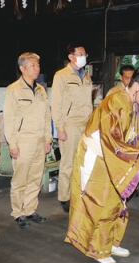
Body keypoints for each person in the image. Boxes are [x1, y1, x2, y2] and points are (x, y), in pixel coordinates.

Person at [64, 58, 139, 263]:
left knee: (119, 200)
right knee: (100, 202)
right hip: (100, 156)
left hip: (121, 157)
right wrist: (138, 154)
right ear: (136, 86)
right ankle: (97, 249)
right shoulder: (114, 102)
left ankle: (110, 242)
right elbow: (111, 138)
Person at [3, 52, 52, 229]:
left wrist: (48, 138)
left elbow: (47, 116)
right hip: (23, 142)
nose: (37, 68)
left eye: (38, 65)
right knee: (20, 180)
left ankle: (30, 209)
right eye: (33, 65)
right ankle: (18, 212)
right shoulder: (13, 90)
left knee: (35, 178)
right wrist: (13, 145)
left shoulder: (41, 90)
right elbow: (8, 120)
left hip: (40, 141)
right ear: (22, 68)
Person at [51, 43, 93, 213]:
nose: (84, 56)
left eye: (85, 53)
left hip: (85, 125)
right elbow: (56, 103)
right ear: (71, 56)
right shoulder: (61, 75)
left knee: (83, 163)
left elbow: (89, 101)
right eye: (81, 54)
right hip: (69, 125)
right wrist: (59, 128)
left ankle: (78, 193)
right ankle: (64, 197)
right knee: (68, 163)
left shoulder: (86, 75)